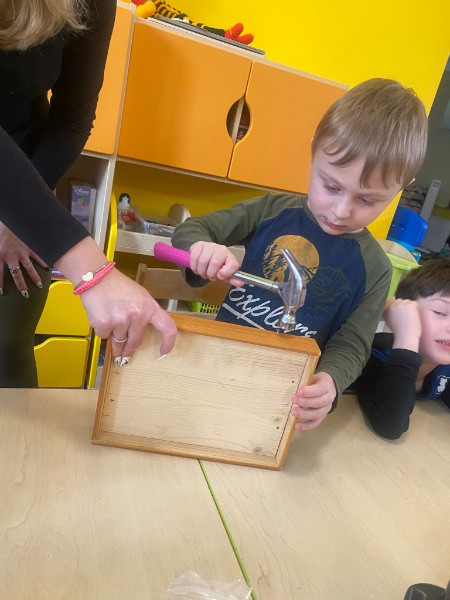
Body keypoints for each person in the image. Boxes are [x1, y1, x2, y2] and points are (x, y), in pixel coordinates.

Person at [171, 78, 428, 431]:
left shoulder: (376, 269)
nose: (341, 211)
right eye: (331, 186)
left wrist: (330, 381)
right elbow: (191, 230)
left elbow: (353, 344)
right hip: (214, 367)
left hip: (280, 397)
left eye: (366, 200)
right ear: (314, 153)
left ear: (402, 187)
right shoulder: (272, 211)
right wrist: (201, 250)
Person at [0, 0, 176, 387]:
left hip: (26, 195)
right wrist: (93, 272)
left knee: (8, 349)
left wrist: (21, 220)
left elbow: (73, 118)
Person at [355, 258, 450, 440]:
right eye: (440, 312)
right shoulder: (372, 357)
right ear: (403, 312)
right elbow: (390, 425)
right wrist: (407, 336)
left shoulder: (445, 367)